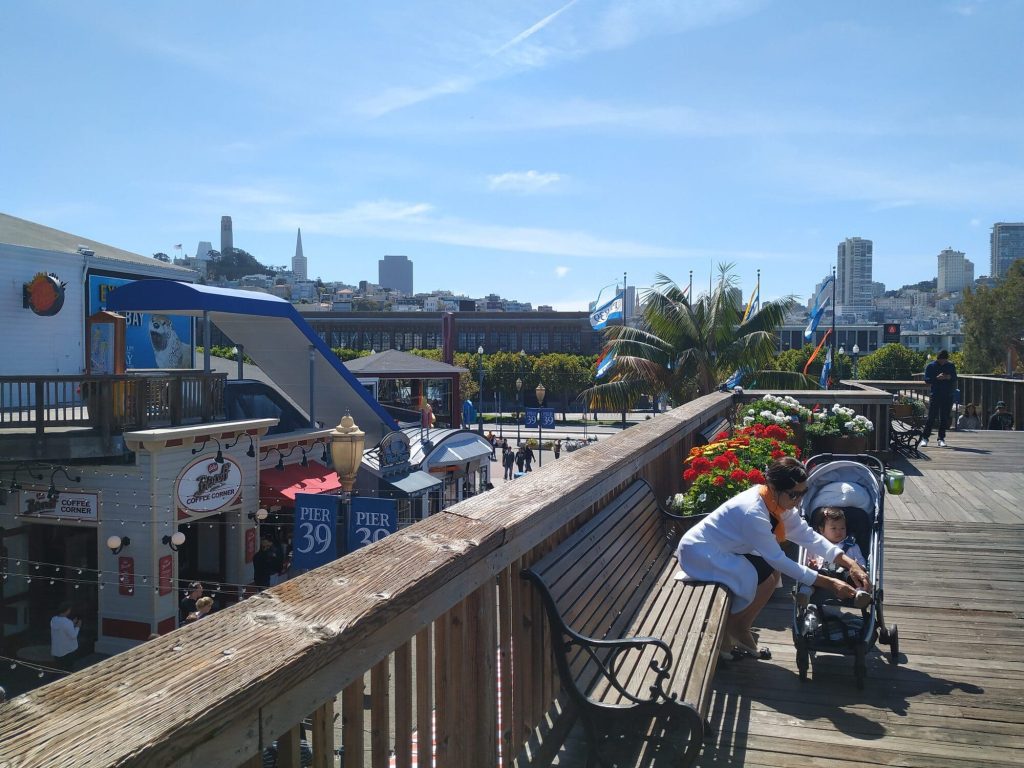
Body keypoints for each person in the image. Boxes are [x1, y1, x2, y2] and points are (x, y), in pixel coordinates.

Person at [675, 457, 870, 657]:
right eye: (794, 494)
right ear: (774, 488)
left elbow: (809, 536)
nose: (799, 501)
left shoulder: (775, 503)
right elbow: (778, 559)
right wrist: (830, 584)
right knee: (762, 575)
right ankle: (731, 628)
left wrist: (850, 562)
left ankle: (738, 627)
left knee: (772, 576)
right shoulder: (754, 512)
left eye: (803, 493)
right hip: (699, 553)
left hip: (723, 548)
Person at [919, 350, 957, 448]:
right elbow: (927, 380)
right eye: (942, 360)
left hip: (947, 395)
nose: (943, 362)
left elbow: (954, 378)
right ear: (938, 358)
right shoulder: (931, 366)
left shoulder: (950, 366)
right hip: (935, 394)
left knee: (944, 418)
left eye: (945, 360)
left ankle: (941, 439)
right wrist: (937, 378)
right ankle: (925, 438)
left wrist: (949, 377)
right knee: (931, 417)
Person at [50, 602, 81, 672]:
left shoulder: (53, 620)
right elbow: (73, 635)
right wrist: (77, 627)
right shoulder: (67, 622)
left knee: (58, 670)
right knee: (68, 670)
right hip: (67, 651)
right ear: (67, 610)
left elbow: (63, 629)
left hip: (57, 650)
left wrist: (72, 623)